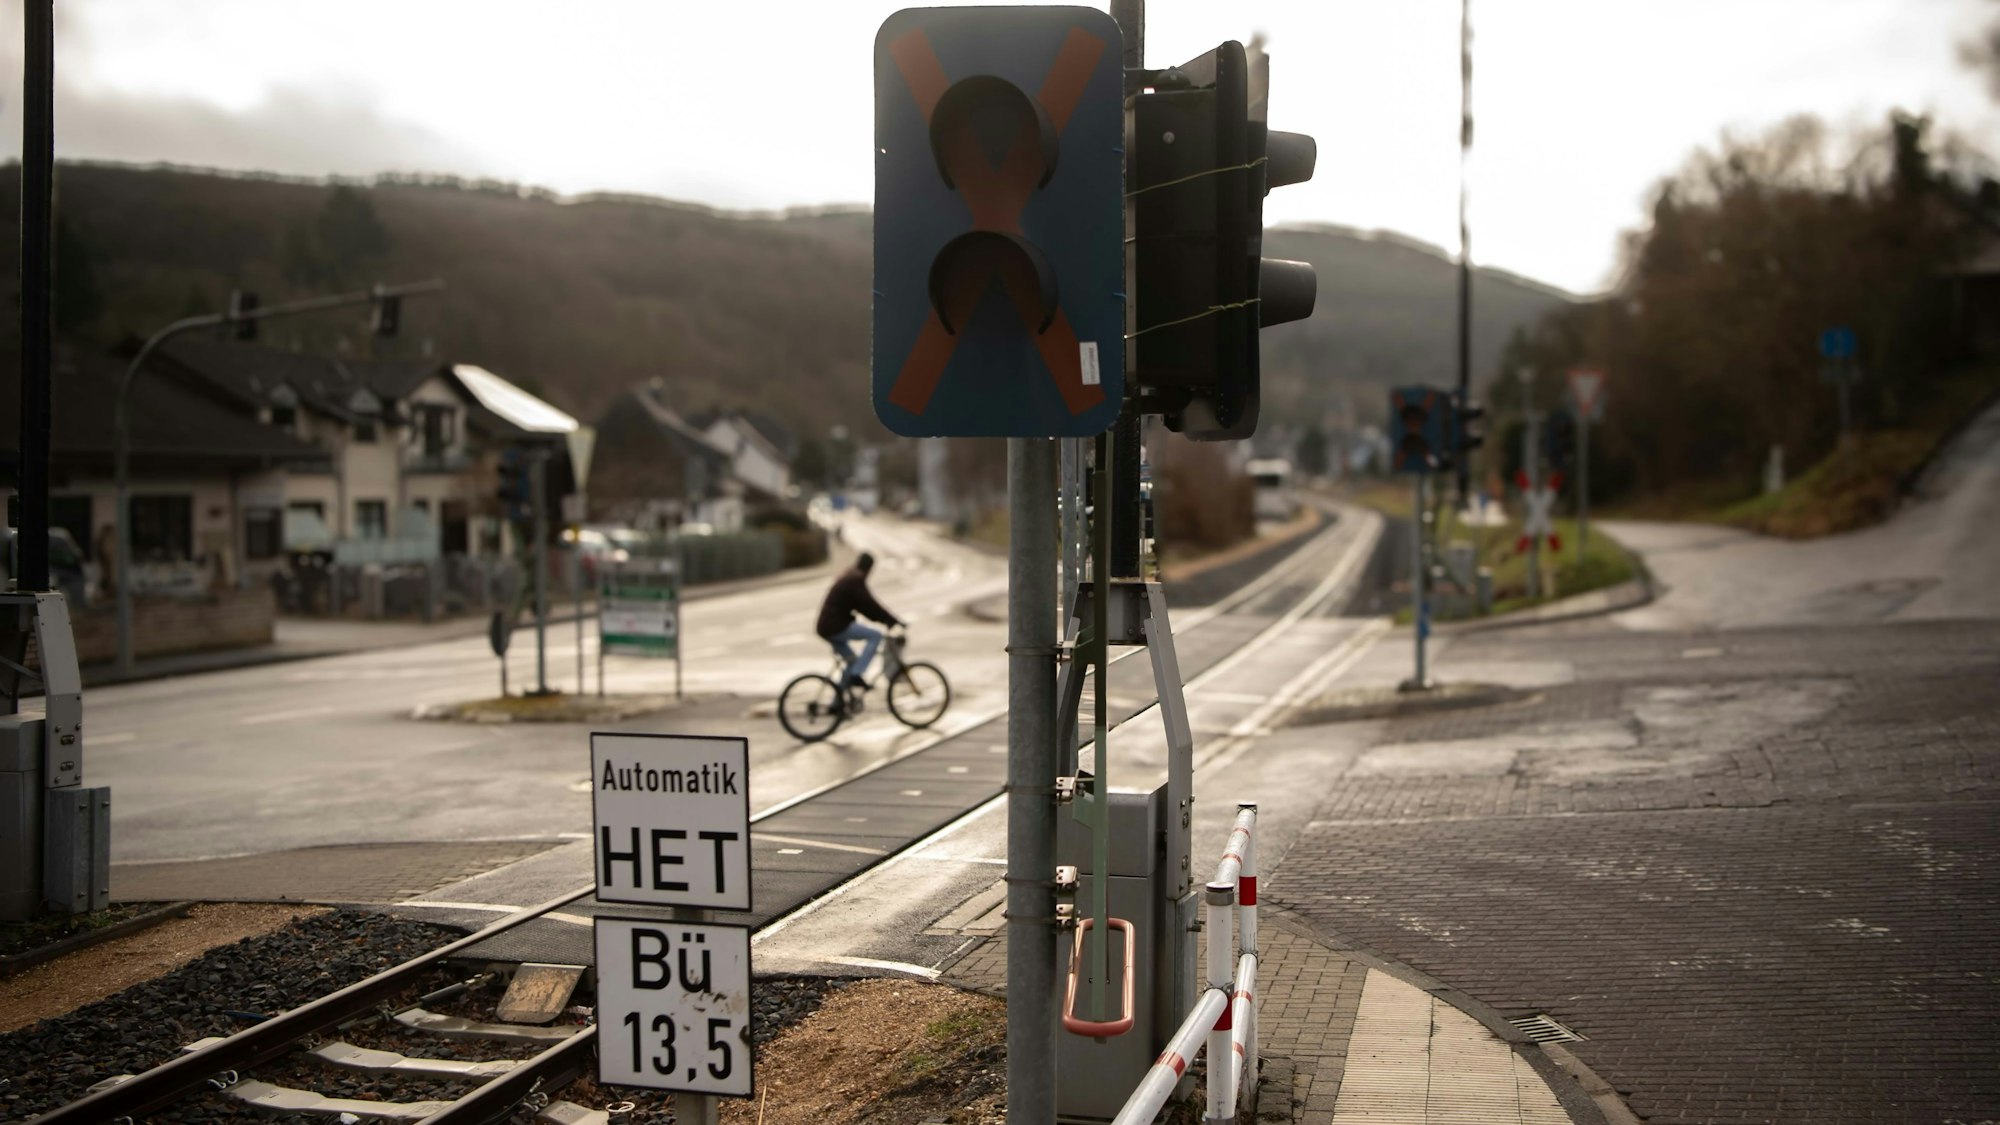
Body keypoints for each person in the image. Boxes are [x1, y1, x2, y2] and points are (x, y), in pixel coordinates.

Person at [815, 552, 901, 691]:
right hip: (834, 626)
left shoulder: (849, 577)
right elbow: (870, 605)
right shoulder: (854, 580)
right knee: (875, 636)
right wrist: (891, 620)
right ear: (869, 568)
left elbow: (866, 607)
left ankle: (838, 700)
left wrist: (886, 619)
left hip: (827, 626)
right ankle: (857, 674)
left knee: (851, 661)